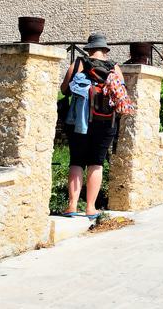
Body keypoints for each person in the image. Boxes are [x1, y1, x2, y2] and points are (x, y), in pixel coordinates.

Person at [60, 33, 125, 220]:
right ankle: (90, 207)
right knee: (96, 163)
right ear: (105, 50)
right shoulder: (114, 68)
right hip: (106, 121)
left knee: (77, 161)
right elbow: (121, 93)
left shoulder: (79, 64)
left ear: (89, 49)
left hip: (78, 121)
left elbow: (64, 89)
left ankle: (72, 205)